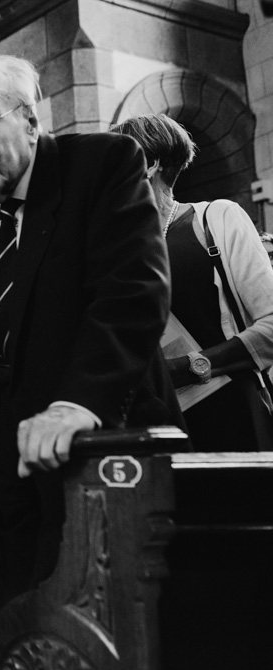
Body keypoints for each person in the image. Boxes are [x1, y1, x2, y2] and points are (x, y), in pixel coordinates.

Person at [0, 54, 181, 607]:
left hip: (96, 436)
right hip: (4, 454)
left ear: (30, 119)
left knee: (102, 616)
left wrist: (78, 403)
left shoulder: (103, 164)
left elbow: (133, 292)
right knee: (15, 612)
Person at [111, 114, 273, 451]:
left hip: (232, 415)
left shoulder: (216, 219)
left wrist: (187, 367)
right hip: (160, 427)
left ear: (150, 164)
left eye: (113, 159)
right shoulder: (115, 250)